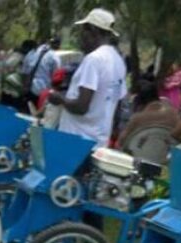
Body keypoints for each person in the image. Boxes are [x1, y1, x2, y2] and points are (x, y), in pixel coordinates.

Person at [48, 8, 126, 146]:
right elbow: (117, 104)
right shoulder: (118, 61)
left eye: (84, 31)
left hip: (76, 140)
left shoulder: (94, 59)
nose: (81, 36)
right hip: (99, 141)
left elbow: (81, 106)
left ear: (93, 31)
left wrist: (59, 98)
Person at [21, 37, 61, 107]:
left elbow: (26, 69)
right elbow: (56, 77)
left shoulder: (36, 51)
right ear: (57, 45)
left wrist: (25, 85)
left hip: (30, 87)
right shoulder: (55, 57)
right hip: (42, 91)